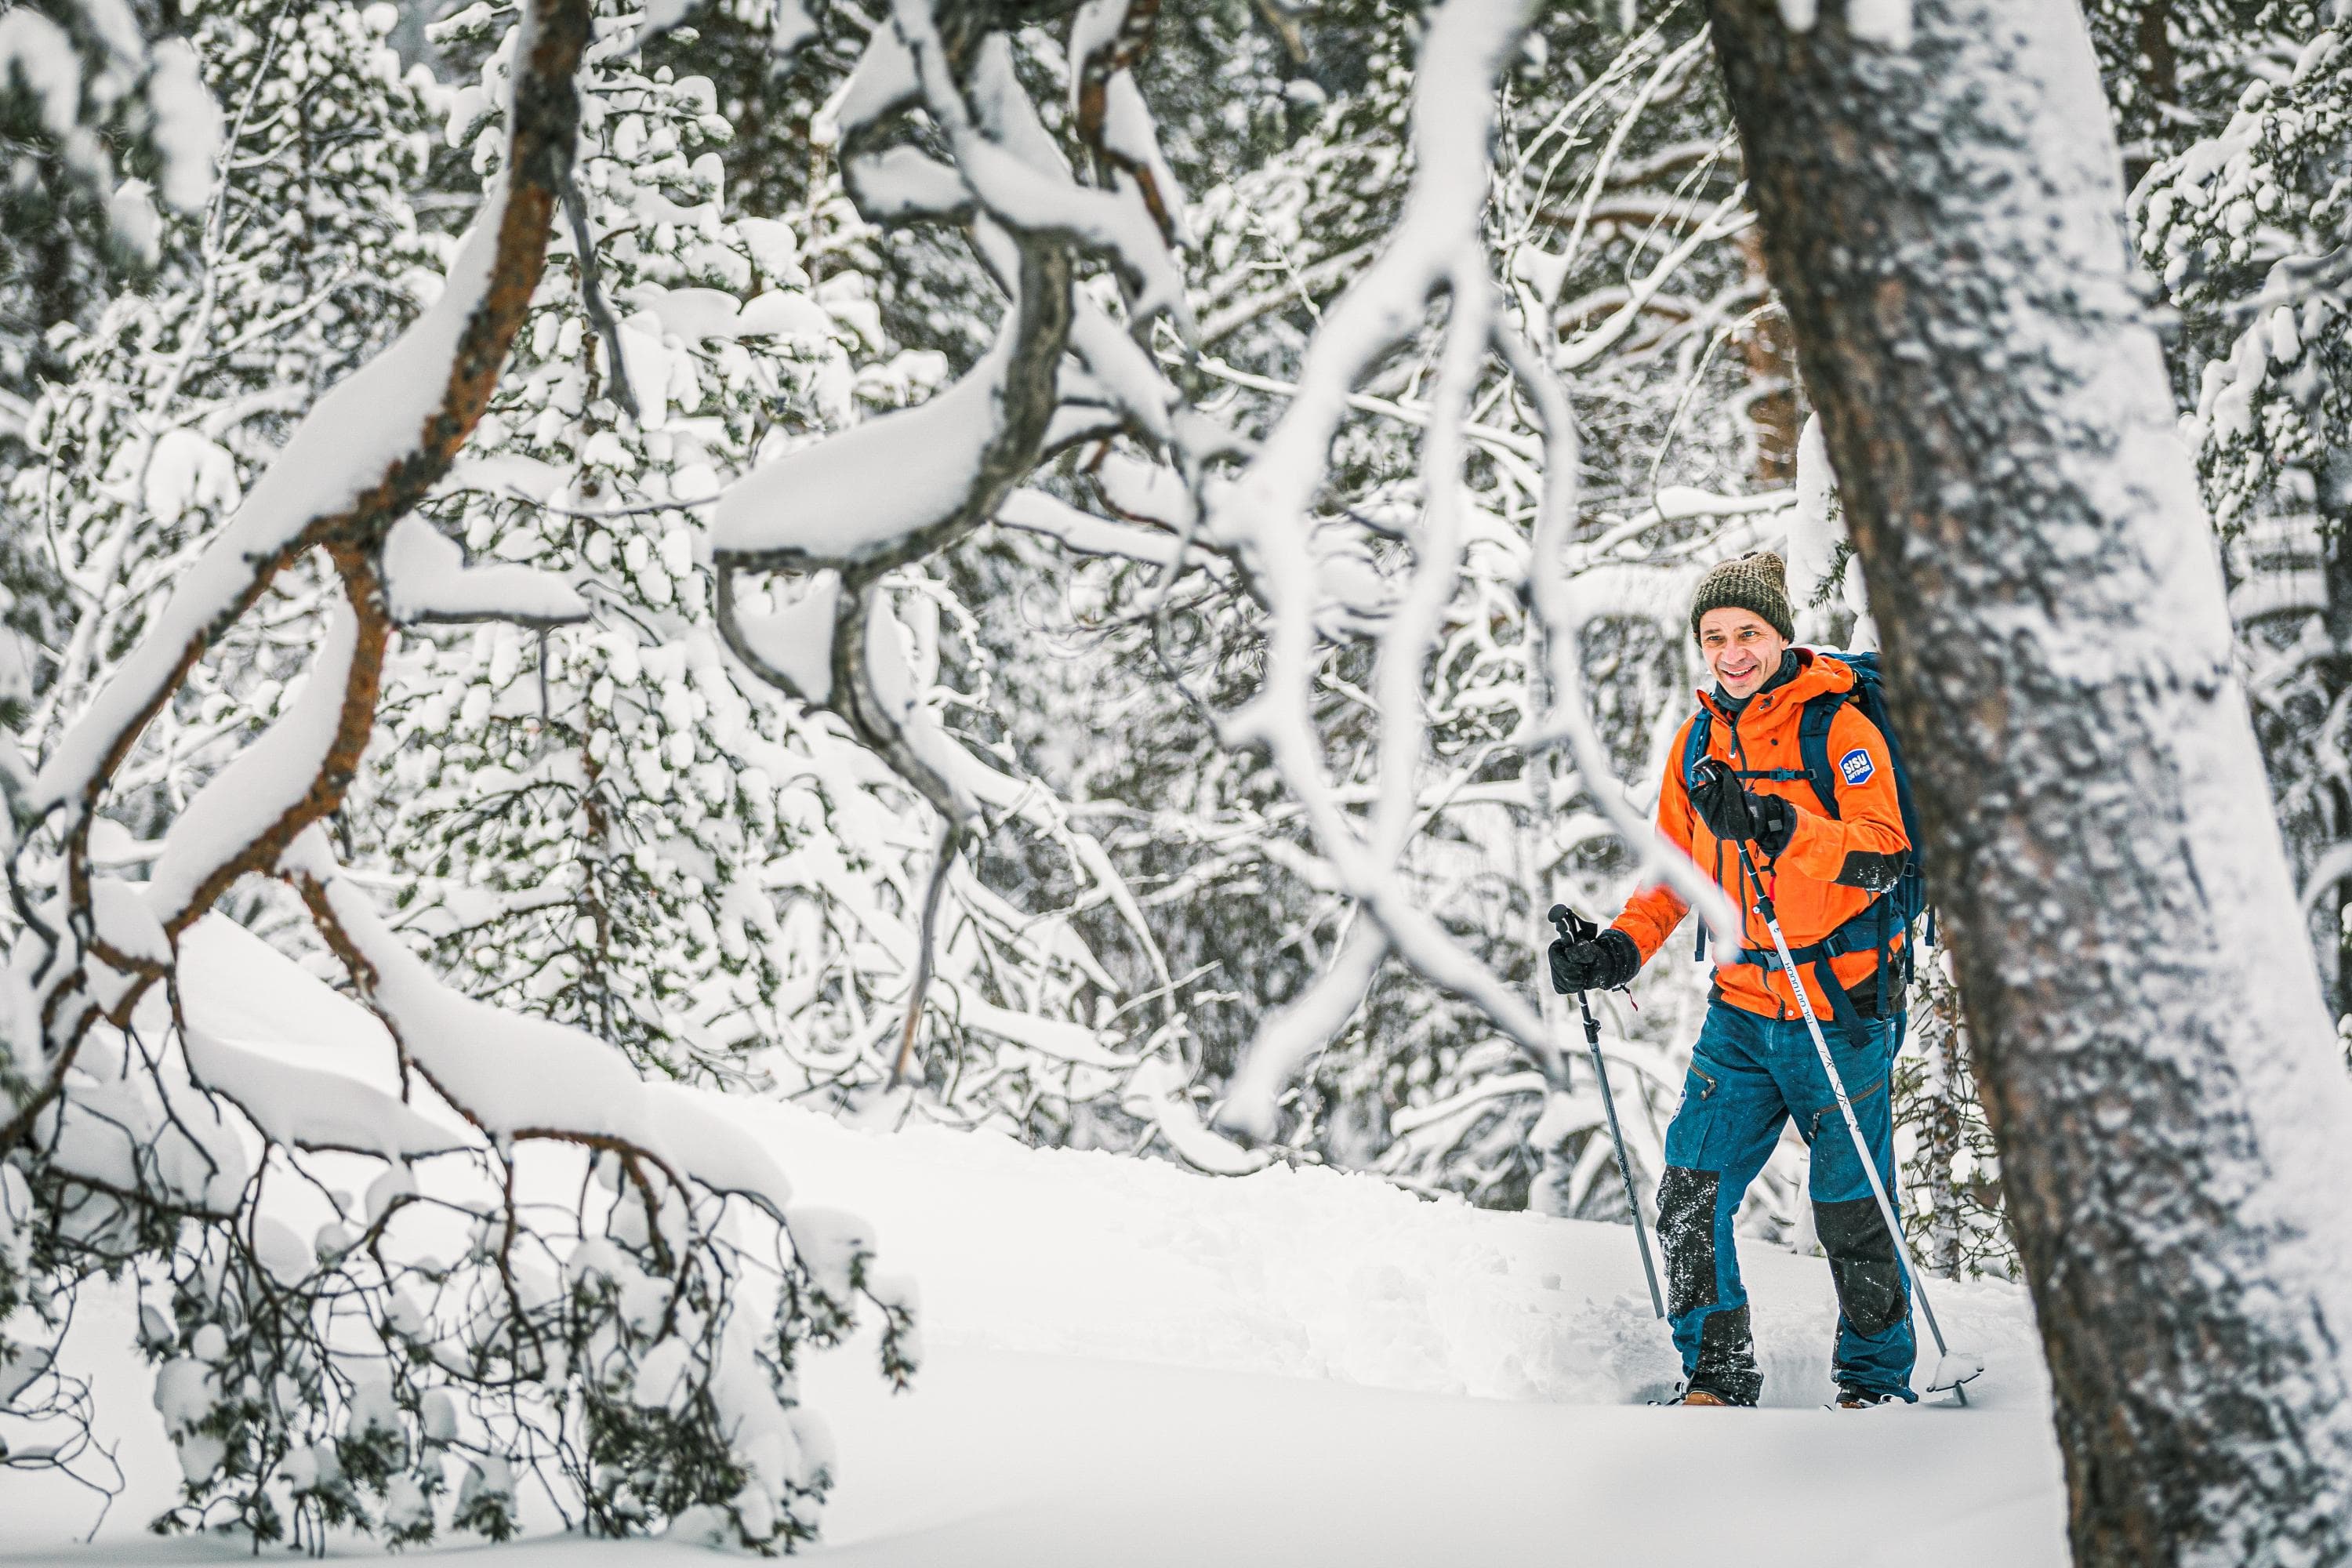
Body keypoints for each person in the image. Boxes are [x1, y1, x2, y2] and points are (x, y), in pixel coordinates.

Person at [1549, 552, 1916, 1409]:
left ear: (1779, 633)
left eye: (1747, 631)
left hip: (1841, 1009)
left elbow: (1882, 853)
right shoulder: (1700, 740)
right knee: (1688, 1190)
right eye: (1715, 636)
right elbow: (1675, 869)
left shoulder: (1840, 731)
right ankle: (1717, 1373)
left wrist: (1779, 824)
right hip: (1744, 1009)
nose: (1732, 650)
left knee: (1850, 1210)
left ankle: (1874, 1385)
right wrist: (1615, 952)